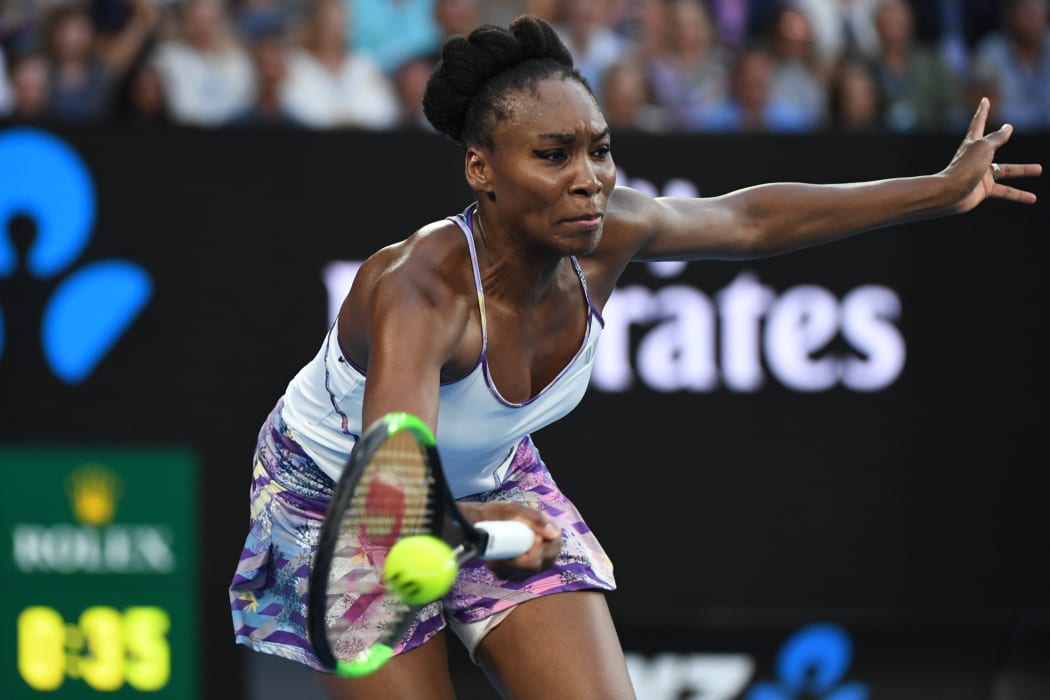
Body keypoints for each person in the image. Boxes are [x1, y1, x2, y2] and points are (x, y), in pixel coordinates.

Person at [229, 15, 1041, 700]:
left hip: (490, 480)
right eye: (553, 155)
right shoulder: (420, 292)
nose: (589, 179)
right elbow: (391, 490)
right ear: (482, 170)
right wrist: (477, 526)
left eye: (599, 149)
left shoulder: (607, 234)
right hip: (341, 499)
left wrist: (940, 189)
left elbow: (749, 221)